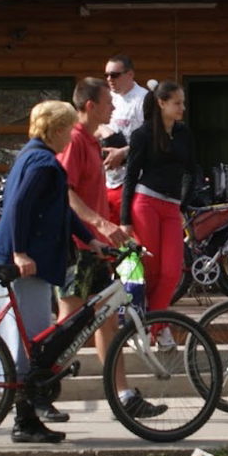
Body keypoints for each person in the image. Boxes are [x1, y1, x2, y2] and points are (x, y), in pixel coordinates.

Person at [0, 100, 92, 443]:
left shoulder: (32, 155)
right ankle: (24, 421)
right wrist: (20, 251)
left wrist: (91, 240)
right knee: (34, 345)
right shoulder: (44, 162)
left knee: (34, 341)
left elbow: (61, 208)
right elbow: (19, 205)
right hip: (26, 264)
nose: (72, 138)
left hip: (29, 259)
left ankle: (28, 415)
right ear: (59, 130)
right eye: (70, 130)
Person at [56, 78, 160, 422]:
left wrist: (113, 233)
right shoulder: (73, 139)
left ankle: (124, 396)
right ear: (89, 106)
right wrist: (99, 225)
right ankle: (40, 391)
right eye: (107, 103)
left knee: (105, 322)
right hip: (76, 247)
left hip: (94, 247)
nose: (114, 108)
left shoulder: (88, 140)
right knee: (69, 324)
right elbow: (65, 193)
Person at [120, 80, 198, 313]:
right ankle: (149, 322)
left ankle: (155, 322)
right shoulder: (142, 134)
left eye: (182, 103)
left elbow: (191, 171)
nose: (182, 108)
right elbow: (131, 176)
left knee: (172, 271)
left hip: (173, 208)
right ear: (161, 103)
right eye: (177, 103)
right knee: (150, 269)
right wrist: (125, 220)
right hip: (146, 203)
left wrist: (183, 204)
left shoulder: (184, 132)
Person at [100, 55, 151, 223]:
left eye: (114, 75)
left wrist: (123, 152)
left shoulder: (143, 99)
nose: (109, 79)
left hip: (134, 181)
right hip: (108, 179)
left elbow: (153, 138)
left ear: (130, 74)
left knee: (130, 241)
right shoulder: (107, 97)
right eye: (106, 75)